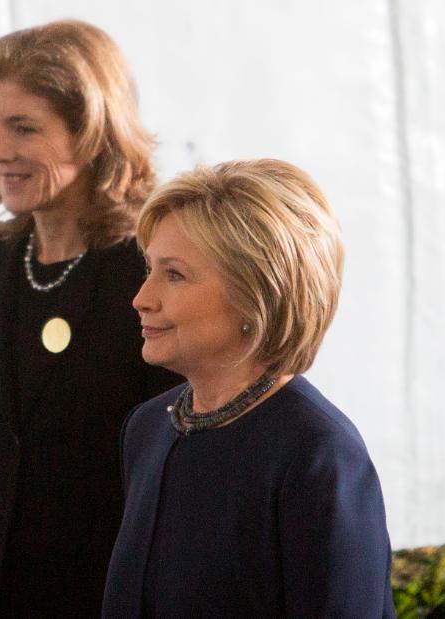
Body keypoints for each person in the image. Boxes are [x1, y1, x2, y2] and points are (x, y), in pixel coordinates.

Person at [0, 20, 182, 617]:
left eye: (22, 127)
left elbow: (174, 475)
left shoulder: (154, 266)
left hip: (114, 592)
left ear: (92, 132)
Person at [102, 159, 395, 617]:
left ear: (255, 295)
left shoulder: (319, 456)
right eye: (150, 269)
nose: (142, 298)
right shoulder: (147, 430)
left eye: (174, 274)